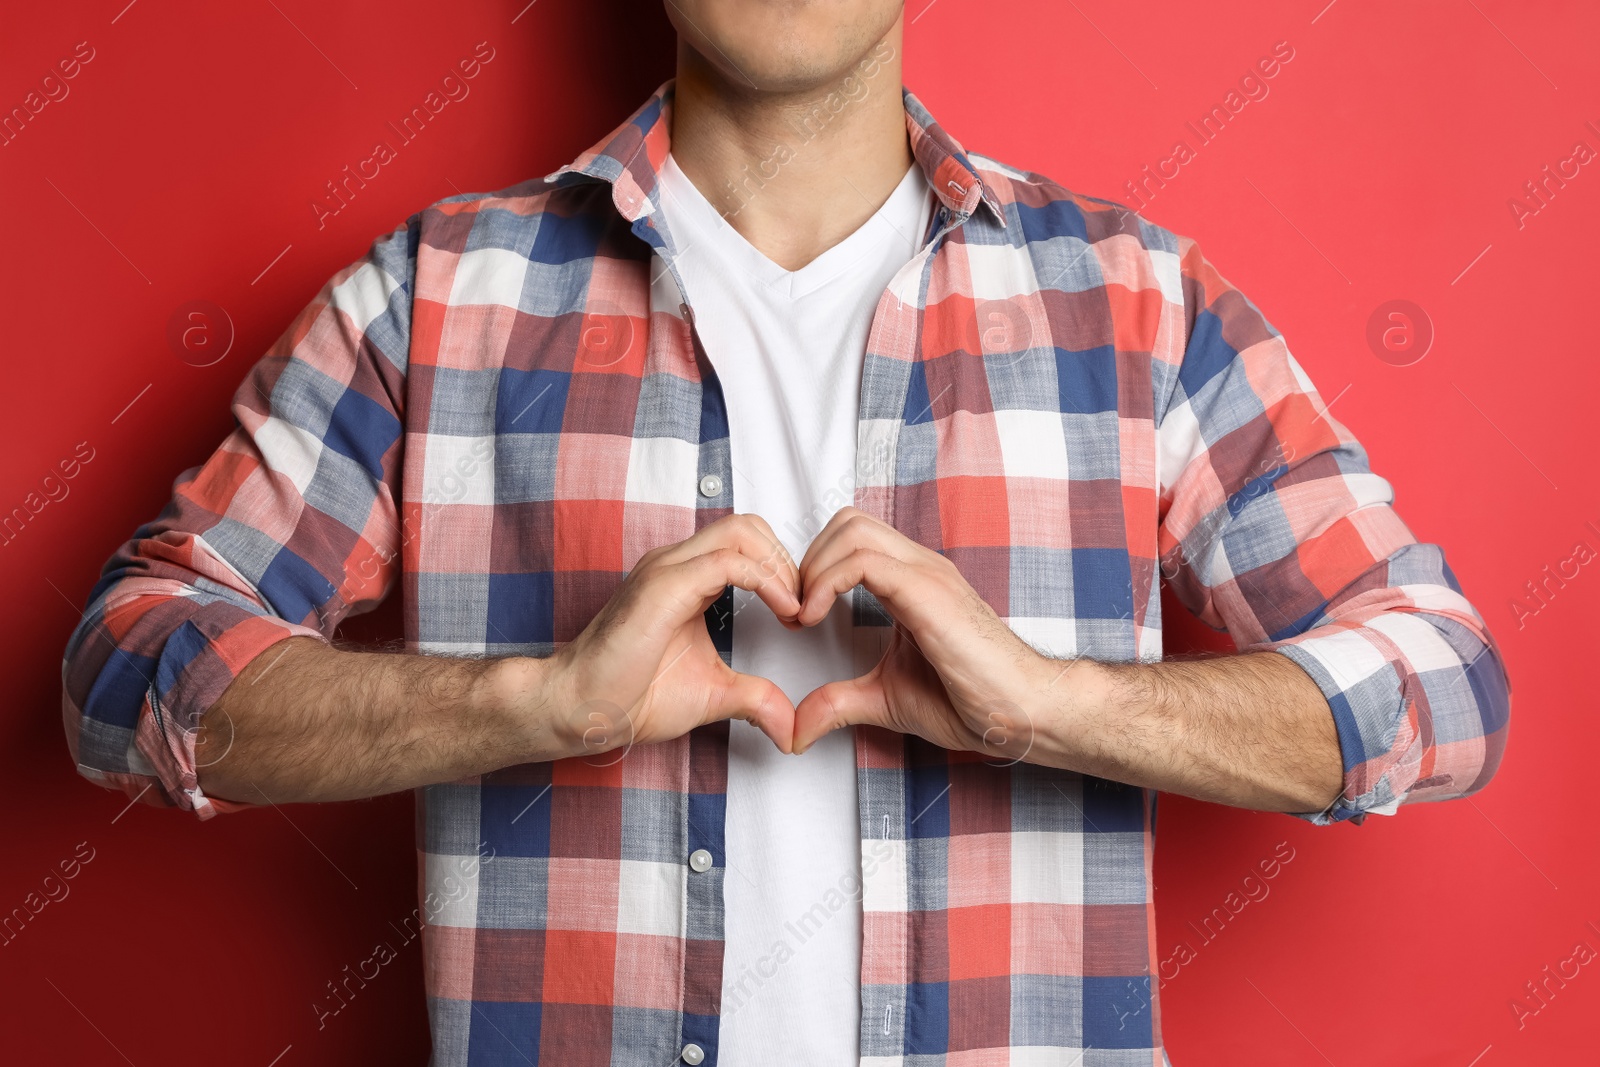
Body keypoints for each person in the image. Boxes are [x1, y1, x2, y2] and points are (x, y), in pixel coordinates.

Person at [59, 2, 1510, 1063]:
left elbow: (1445, 685)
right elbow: (123, 671)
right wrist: (532, 700)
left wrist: (1060, 707)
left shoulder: (1136, 305)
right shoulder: (434, 302)